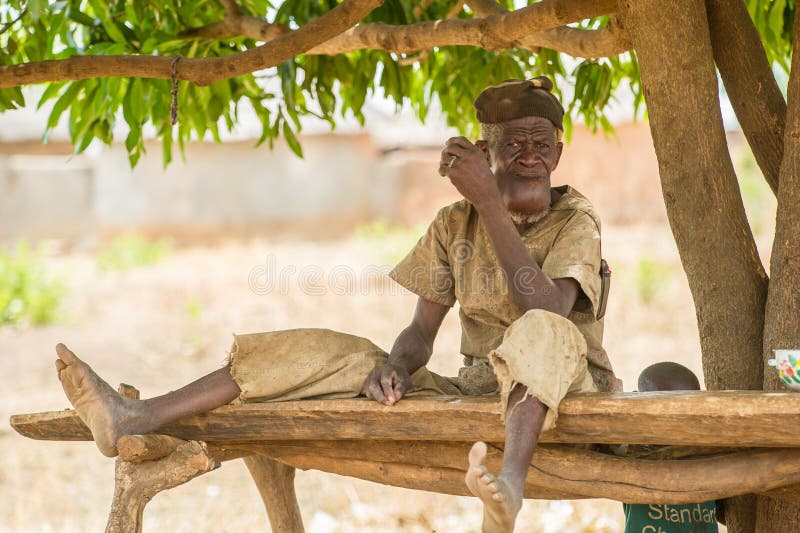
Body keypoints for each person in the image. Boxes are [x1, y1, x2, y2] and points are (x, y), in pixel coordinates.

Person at [53, 77, 619, 533]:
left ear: (558, 153)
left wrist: (490, 201)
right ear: (485, 151)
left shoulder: (577, 219)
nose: (529, 157)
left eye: (542, 145)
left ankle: (510, 488)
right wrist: (396, 367)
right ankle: (136, 416)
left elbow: (548, 310)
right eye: (513, 145)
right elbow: (420, 332)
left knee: (541, 329)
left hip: (565, 390)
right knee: (336, 352)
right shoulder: (454, 222)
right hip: (479, 386)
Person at [623, 362, 721, 533]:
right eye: (670, 408)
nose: (681, 418)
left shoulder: (708, 452)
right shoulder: (631, 448)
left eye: (691, 408)